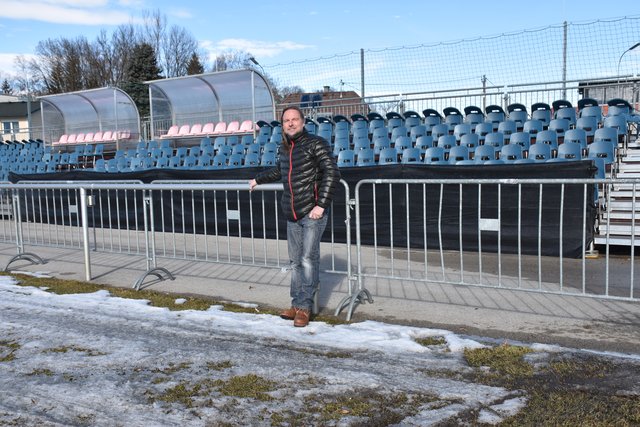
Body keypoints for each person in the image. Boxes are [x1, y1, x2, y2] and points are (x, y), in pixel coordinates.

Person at [249, 106, 340, 327]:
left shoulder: (316, 143)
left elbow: (332, 172)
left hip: (312, 213)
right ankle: (296, 304)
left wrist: (321, 205)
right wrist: (257, 180)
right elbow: (279, 172)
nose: (290, 123)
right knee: (295, 262)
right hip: (291, 212)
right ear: (283, 125)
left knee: (308, 260)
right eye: (286, 120)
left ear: (302, 122)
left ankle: (305, 308)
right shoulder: (285, 149)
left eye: (294, 119)